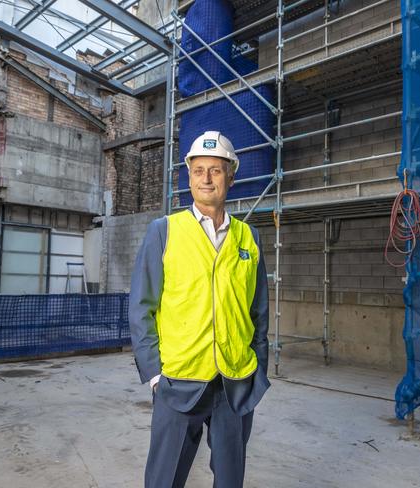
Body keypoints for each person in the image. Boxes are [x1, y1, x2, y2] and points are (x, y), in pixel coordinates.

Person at [130, 130, 270, 488]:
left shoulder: (248, 238)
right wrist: (154, 374)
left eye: (216, 170)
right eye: (198, 170)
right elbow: (141, 306)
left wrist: (259, 369)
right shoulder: (164, 231)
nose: (206, 178)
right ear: (189, 176)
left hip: (235, 383)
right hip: (179, 380)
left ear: (231, 177)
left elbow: (259, 312)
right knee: (165, 478)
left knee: (229, 478)